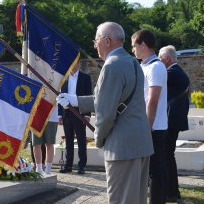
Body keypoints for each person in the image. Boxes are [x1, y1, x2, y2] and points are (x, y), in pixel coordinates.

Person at [58, 22, 154, 203]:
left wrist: (99, 138)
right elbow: (110, 99)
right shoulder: (133, 62)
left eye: (96, 40)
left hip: (121, 146)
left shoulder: (111, 66)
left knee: (121, 199)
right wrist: (75, 100)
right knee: (137, 199)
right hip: (140, 142)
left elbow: (106, 113)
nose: (94, 45)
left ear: (107, 41)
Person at [131, 29, 168, 204]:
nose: (133, 50)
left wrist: (145, 128)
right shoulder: (142, 66)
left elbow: (152, 101)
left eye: (134, 46)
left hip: (153, 128)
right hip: (144, 126)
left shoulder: (156, 66)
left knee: (155, 172)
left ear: (143, 45)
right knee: (145, 172)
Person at [159, 45, 190, 202]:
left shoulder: (171, 72)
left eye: (160, 59)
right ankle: (172, 190)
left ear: (167, 59)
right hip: (174, 121)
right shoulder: (177, 72)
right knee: (168, 156)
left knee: (166, 156)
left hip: (170, 121)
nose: (158, 62)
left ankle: (170, 191)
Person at [58, 60, 92, 174]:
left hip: (80, 112)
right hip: (67, 112)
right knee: (68, 140)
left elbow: (89, 96)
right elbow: (59, 97)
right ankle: (68, 165)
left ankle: (82, 166)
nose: (72, 65)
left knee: (81, 140)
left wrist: (87, 115)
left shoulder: (85, 78)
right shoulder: (64, 78)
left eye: (74, 63)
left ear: (78, 63)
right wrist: (59, 115)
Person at [32, 106, 59, 175]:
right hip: (36, 116)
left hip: (51, 117)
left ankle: (48, 170)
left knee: (49, 143)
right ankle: (39, 169)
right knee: (36, 144)